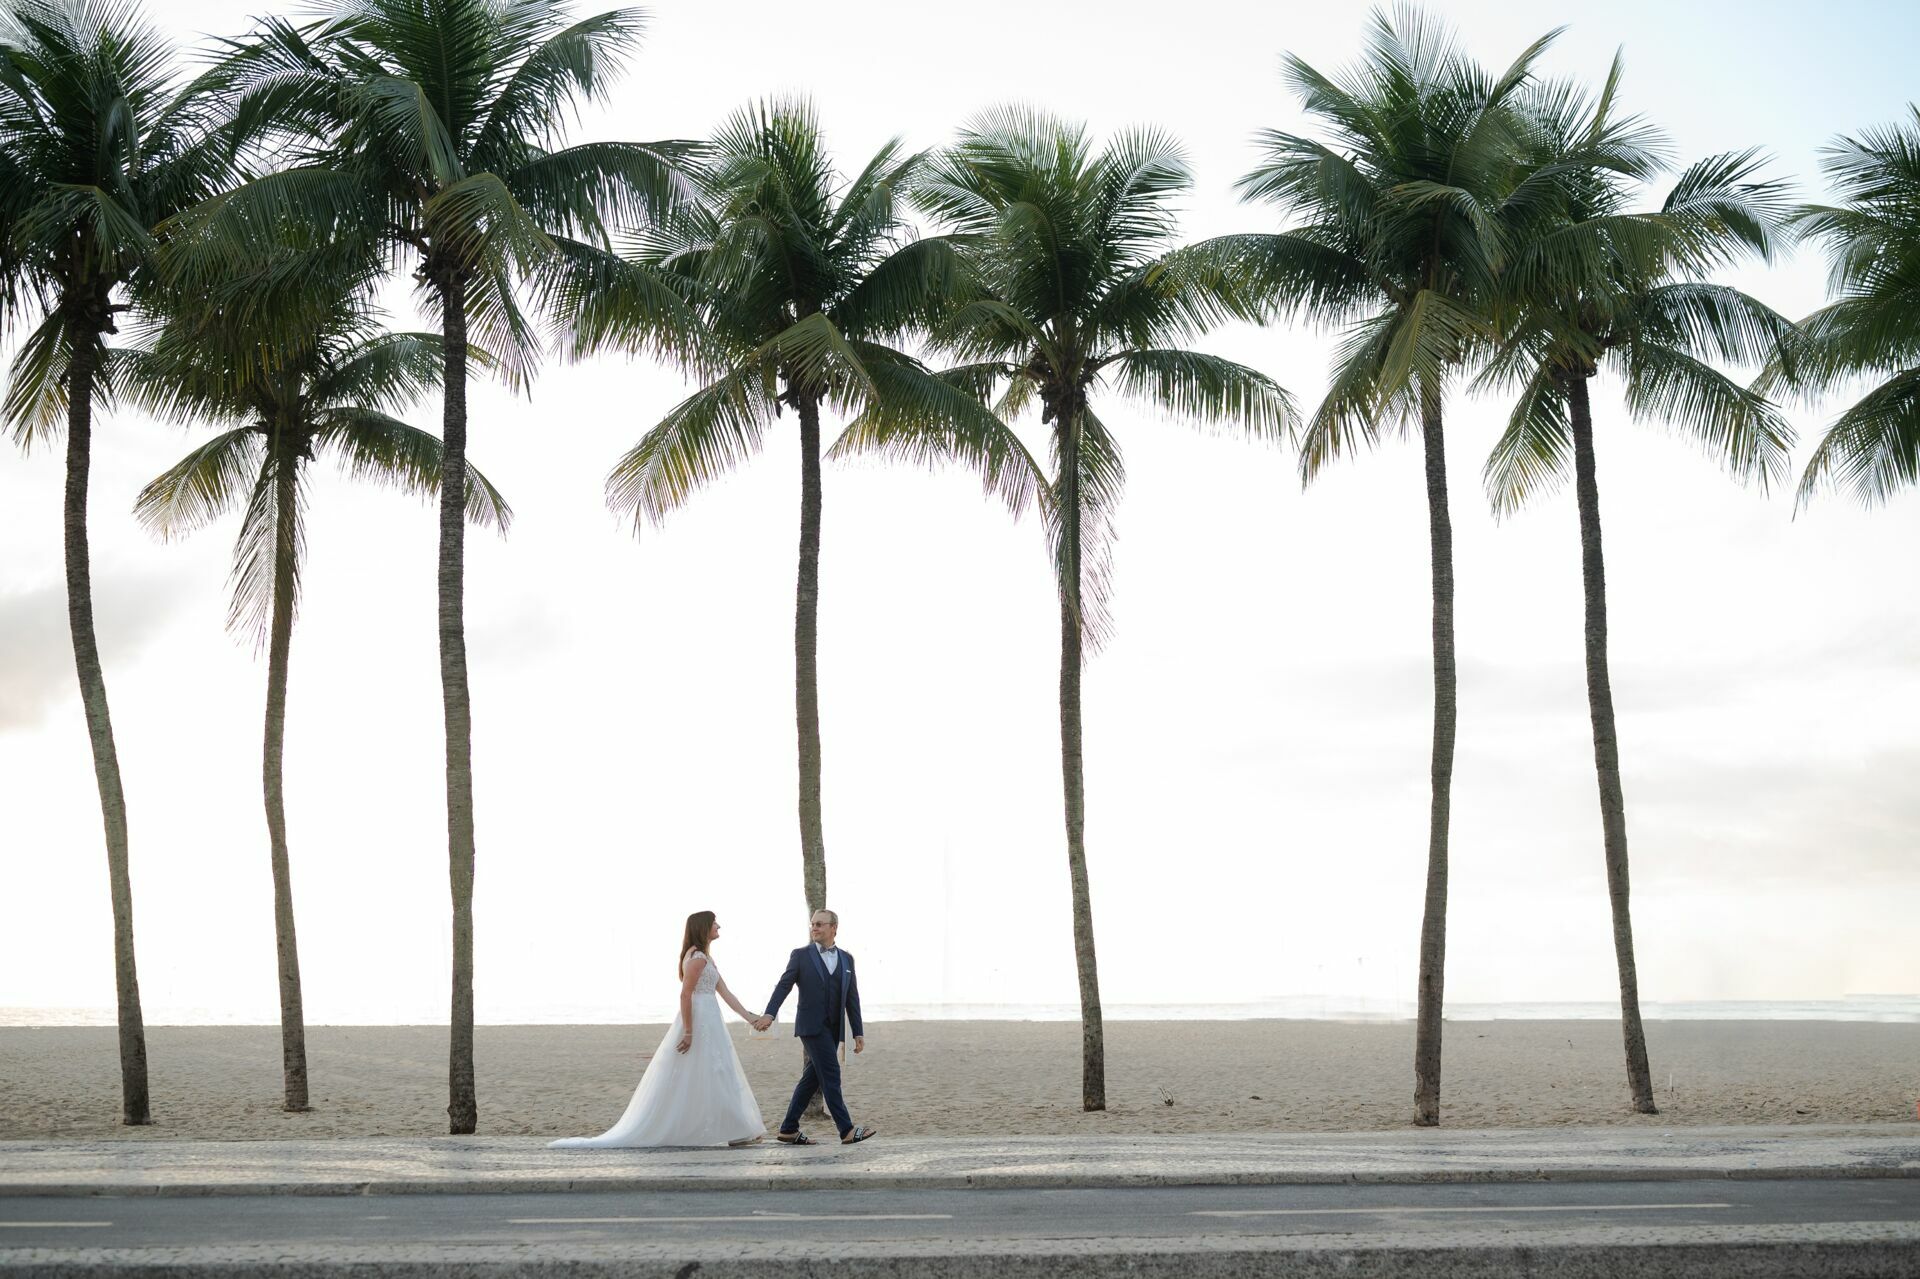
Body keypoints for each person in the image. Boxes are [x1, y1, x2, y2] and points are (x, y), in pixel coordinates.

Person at [550, 910, 766, 1148]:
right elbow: (685, 995)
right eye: (715, 923)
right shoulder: (696, 958)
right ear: (703, 927)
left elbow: (725, 993)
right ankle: (734, 1130)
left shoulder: (707, 958)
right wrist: (689, 1031)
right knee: (712, 1071)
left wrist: (750, 1018)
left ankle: (737, 1129)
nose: (719, 927)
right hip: (699, 1019)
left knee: (719, 1071)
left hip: (711, 1018)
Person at [761, 908, 876, 1145]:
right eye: (812, 924)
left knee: (811, 1079)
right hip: (811, 1026)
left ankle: (788, 1128)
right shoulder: (800, 955)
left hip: (833, 1029)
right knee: (831, 1074)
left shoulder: (846, 958)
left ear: (834, 928)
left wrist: (858, 1031)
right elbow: (784, 986)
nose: (814, 927)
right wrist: (770, 1014)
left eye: (820, 924)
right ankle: (846, 1129)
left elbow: (852, 997)